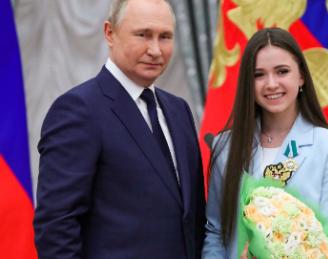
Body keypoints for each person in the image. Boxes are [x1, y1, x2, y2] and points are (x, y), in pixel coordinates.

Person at [33, 0, 205, 258]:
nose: (156, 50)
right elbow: (57, 225)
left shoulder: (179, 111)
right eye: (143, 35)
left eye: (165, 36)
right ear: (109, 33)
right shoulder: (78, 110)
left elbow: (191, 217)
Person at [202, 27, 328, 259]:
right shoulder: (225, 146)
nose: (271, 84)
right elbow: (215, 231)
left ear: (301, 76)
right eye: (259, 74)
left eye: (282, 71)